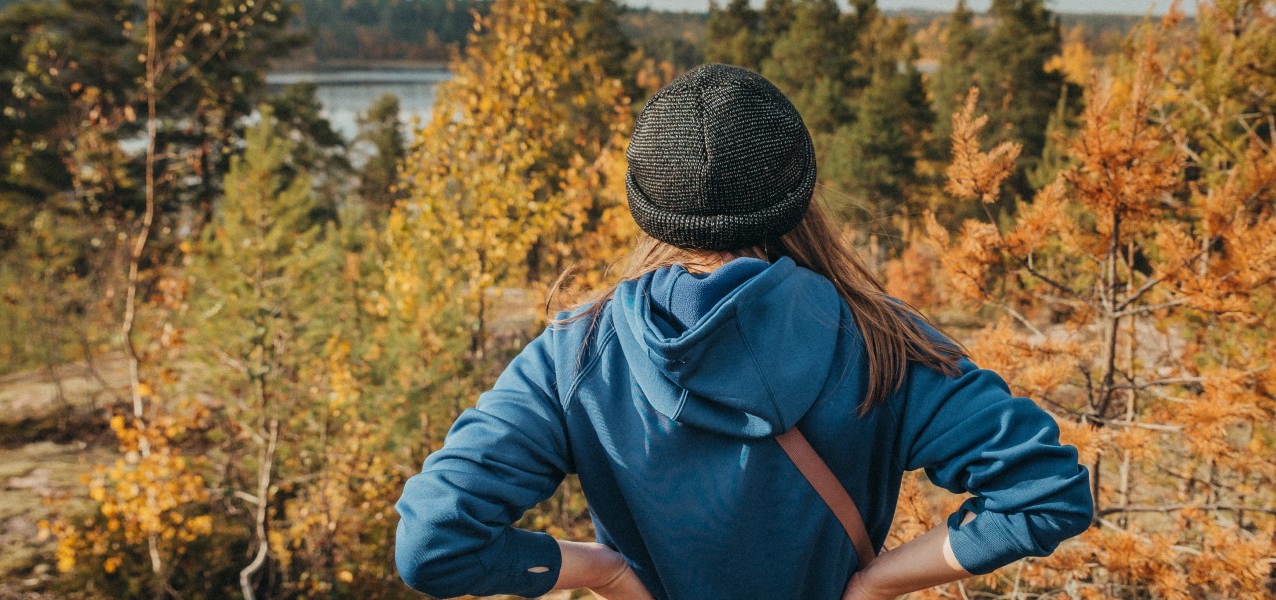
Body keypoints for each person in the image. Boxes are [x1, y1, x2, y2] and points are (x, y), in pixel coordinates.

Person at [394, 63, 1093, 600]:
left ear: (646, 207)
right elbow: (1048, 491)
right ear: (801, 193)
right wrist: (875, 584)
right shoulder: (883, 343)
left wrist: (602, 572)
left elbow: (432, 543)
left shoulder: (575, 353)